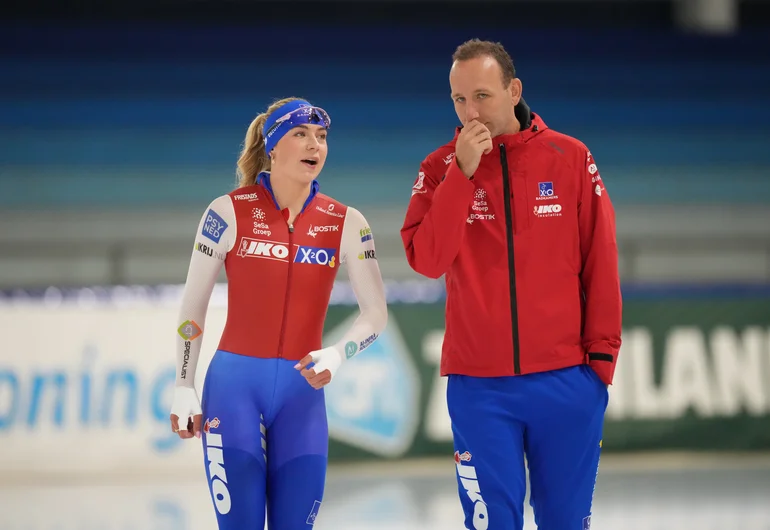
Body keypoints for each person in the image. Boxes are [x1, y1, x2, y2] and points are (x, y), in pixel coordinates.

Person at [401, 39, 622, 530]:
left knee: (565, 522)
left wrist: (600, 362)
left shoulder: (570, 157)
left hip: (567, 380)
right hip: (480, 388)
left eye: (481, 96)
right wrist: (461, 174)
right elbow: (428, 260)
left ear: (514, 90)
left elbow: (601, 260)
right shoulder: (438, 168)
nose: (470, 112)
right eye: (459, 99)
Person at [169, 97, 388, 529]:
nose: (314, 145)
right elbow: (192, 310)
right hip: (234, 390)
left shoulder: (347, 222)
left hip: (302, 395)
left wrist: (339, 352)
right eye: (300, 134)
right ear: (273, 147)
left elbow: (375, 315)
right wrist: (183, 383)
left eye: (321, 137)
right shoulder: (227, 211)